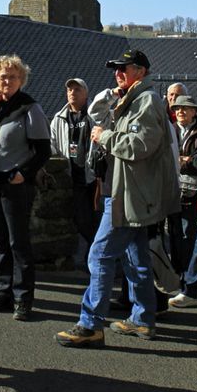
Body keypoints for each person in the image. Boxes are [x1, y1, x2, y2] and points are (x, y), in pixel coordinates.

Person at [55, 49, 180, 348]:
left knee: (99, 255)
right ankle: (143, 319)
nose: (118, 73)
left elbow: (140, 145)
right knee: (136, 258)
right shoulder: (133, 98)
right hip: (127, 192)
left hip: (128, 195)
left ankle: (90, 325)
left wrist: (105, 137)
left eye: (124, 68)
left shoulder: (146, 101)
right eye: (116, 69)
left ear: (141, 71)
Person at [0, 54, 51, 321]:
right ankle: (3, 293)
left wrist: (23, 174)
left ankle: (23, 299)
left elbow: (43, 150)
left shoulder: (30, 108)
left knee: (18, 243)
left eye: (12, 77)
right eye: (2, 77)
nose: (7, 81)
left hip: (15, 184)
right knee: (0, 241)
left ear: (21, 80)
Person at [166, 95, 197, 308]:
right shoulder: (171, 129)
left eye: (185, 108)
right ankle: (179, 279)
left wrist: (187, 162)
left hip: (194, 192)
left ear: (194, 111)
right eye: (177, 109)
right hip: (173, 190)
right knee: (174, 234)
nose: (181, 112)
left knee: (188, 234)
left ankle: (186, 282)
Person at [50, 78, 101, 263]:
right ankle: (94, 257)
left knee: (97, 219)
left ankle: (96, 257)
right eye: (70, 89)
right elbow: (52, 145)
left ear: (86, 94)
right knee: (82, 220)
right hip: (73, 177)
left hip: (94, 177)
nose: (72, 92)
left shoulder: (93, 116)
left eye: (77, 89)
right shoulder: (58, 118)